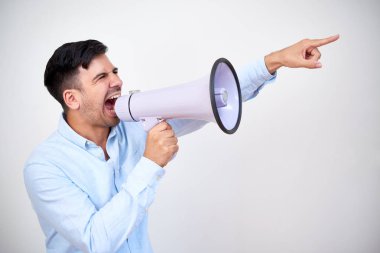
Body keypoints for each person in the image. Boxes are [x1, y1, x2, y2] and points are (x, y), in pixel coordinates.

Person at [24, 35, 339, 253]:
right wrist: (150, 164)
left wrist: (273, 61)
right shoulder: (45, 167)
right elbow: (96, 242)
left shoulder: (133, 120)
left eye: (115, 71)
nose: (117, 81)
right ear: (72, 98)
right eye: (101, 77)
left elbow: (214, 95)